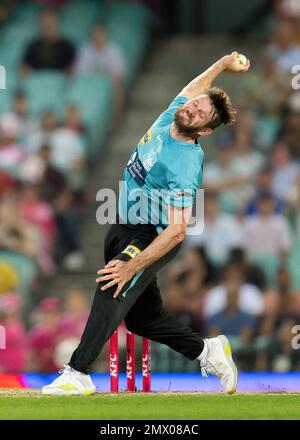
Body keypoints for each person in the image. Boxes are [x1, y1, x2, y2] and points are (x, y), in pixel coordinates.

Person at [42, 51, 250, 396]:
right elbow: (197, 86)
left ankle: (78, 372)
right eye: (195, 104)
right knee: (142, 319)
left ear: (206, 130)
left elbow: (178, 230)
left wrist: (132, 266)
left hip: (152, 234)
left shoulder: (185, 162)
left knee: (113, 281)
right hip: (122, 226)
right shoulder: (173, 112)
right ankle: (207, 351)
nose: (193, 109)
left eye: (202, 113)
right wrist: (223, 64)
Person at [21, 9, 75, 74]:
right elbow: (25, 67)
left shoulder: (67, 46)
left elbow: (73, 69)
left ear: (57, 22)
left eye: (50, 23)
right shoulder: (32, 46)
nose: (47, 25)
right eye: (44, 24)